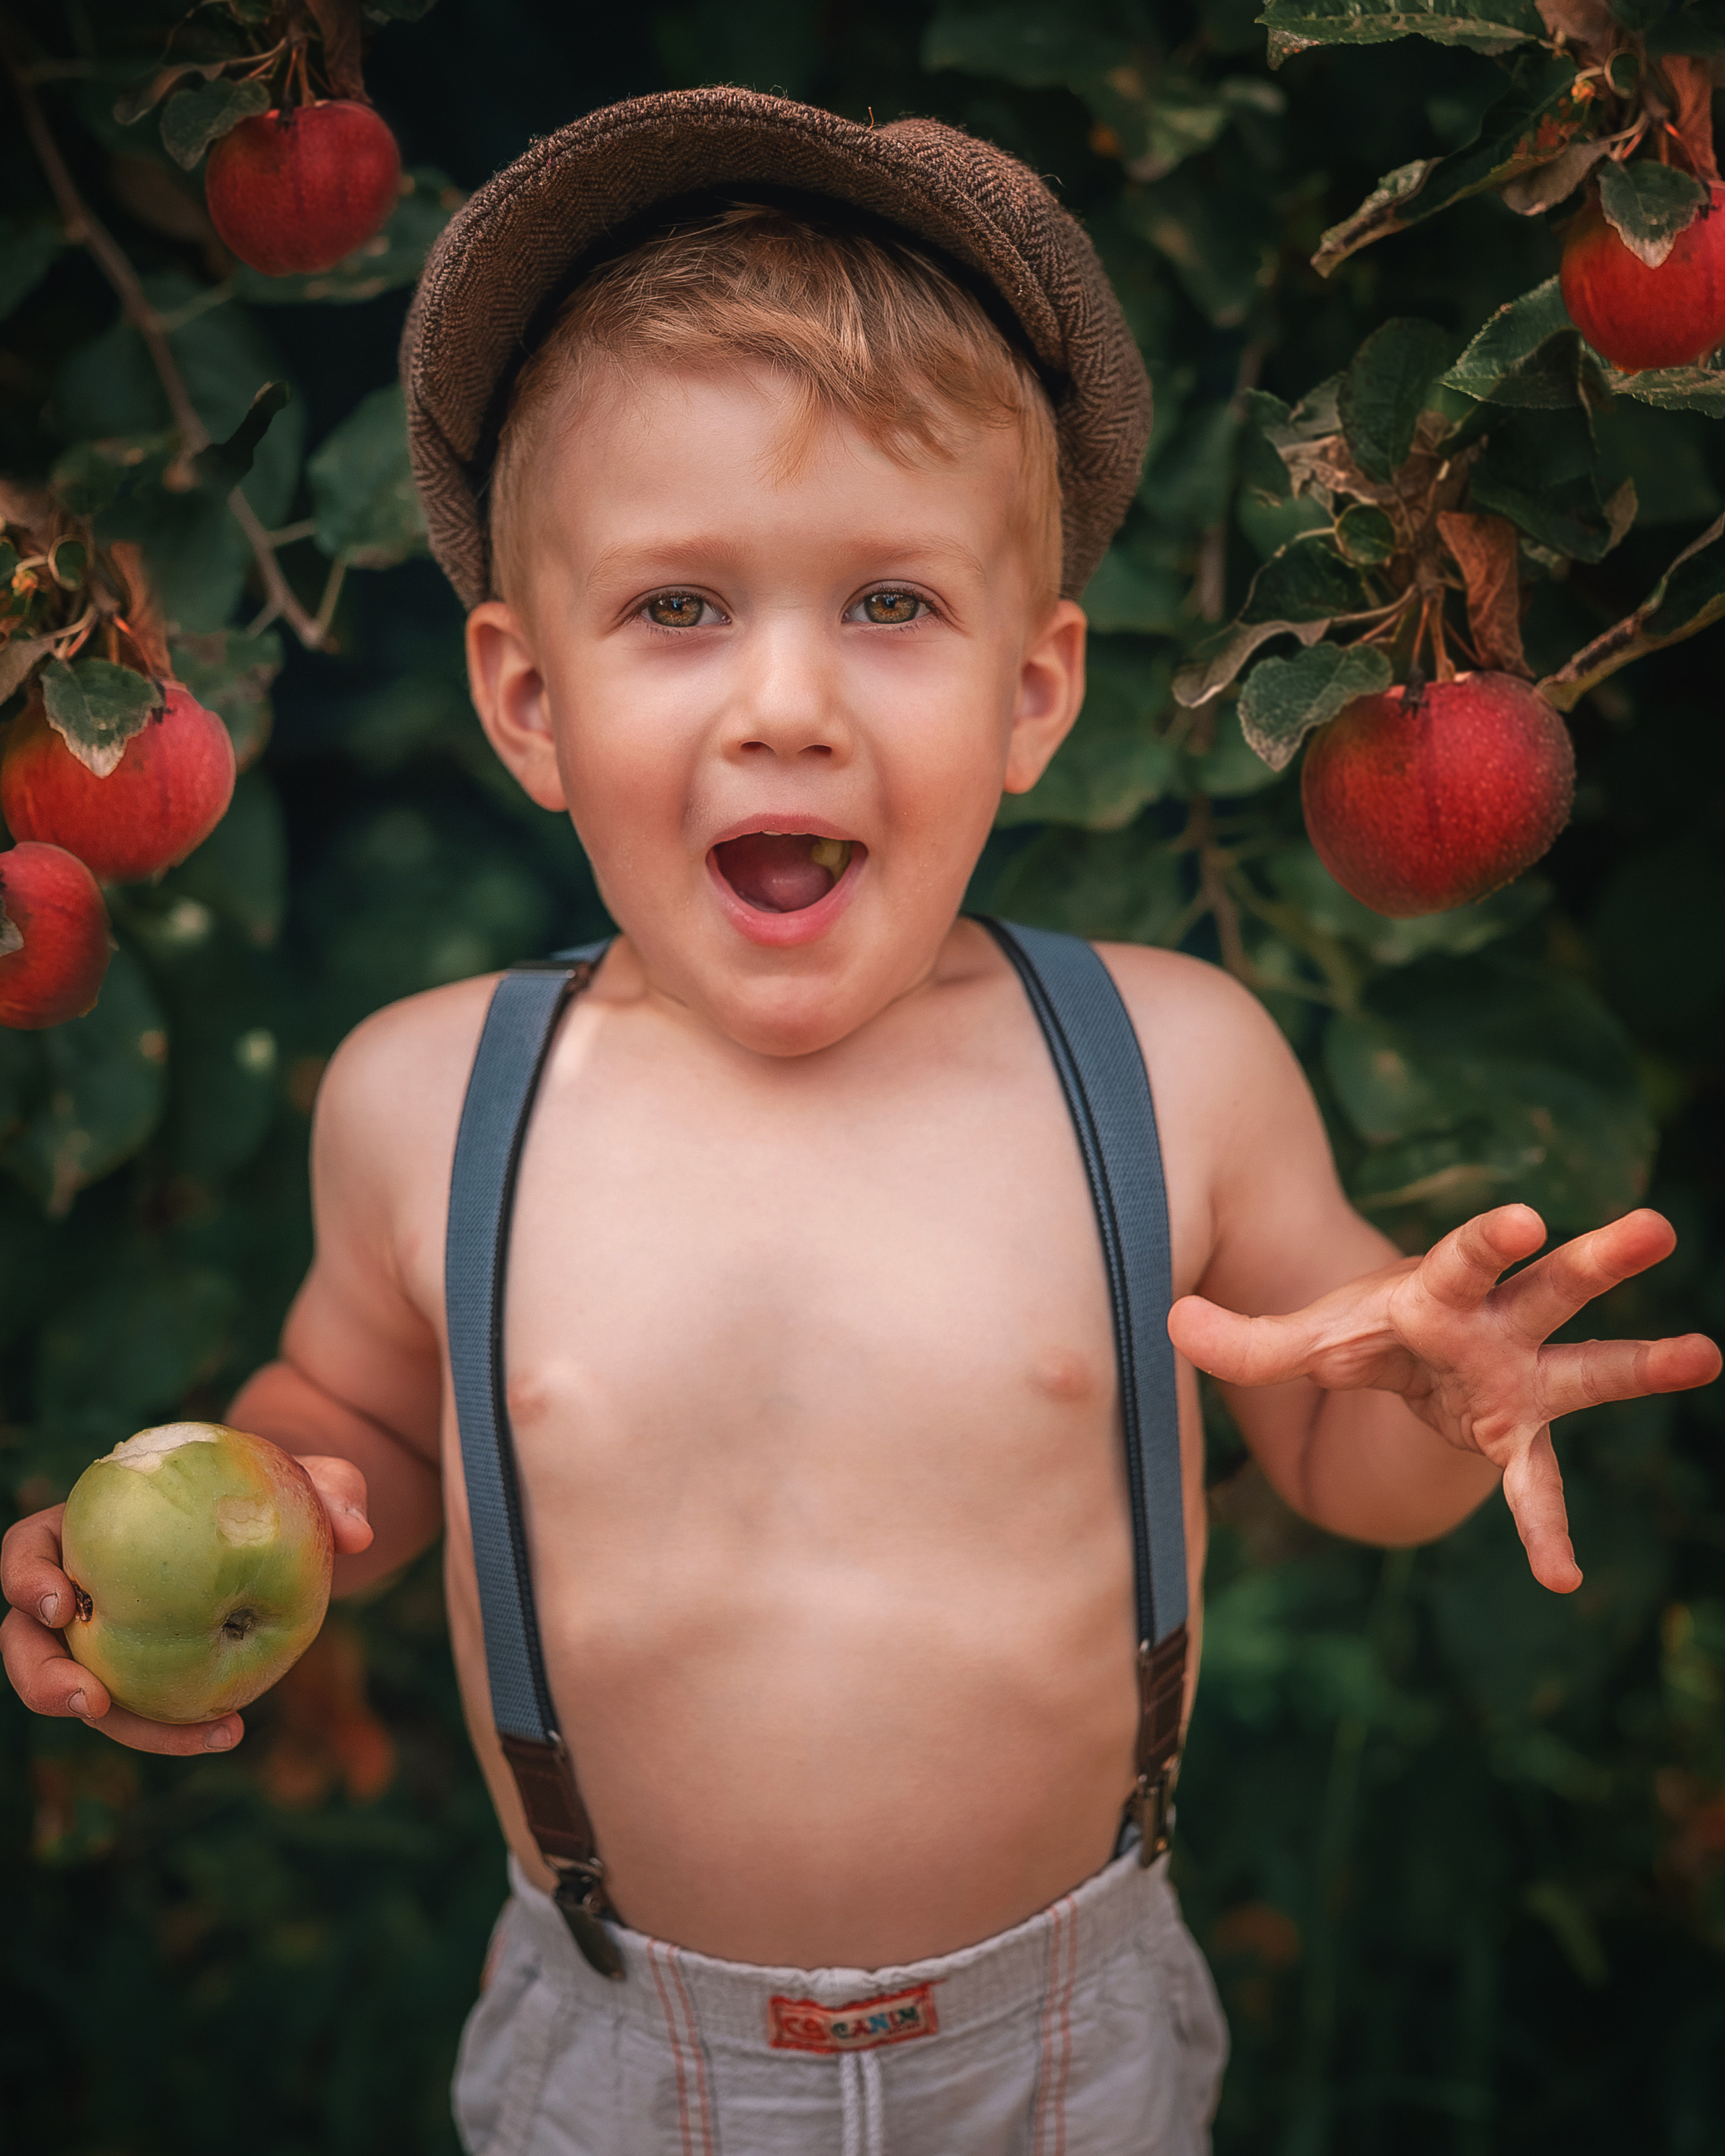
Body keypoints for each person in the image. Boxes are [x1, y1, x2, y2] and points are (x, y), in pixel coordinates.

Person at [3, 89, 1718, 2156]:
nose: (786, 704)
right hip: (621, 2051)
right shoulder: (425, 1098)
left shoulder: (1166, 1066)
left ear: (1036, 689)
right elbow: (354, 1441)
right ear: (527, 700)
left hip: (1066, 2040)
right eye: (679, 608)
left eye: (891, 605)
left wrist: (1443, 1408)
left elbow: (1340, 1440)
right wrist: (224, 1534)